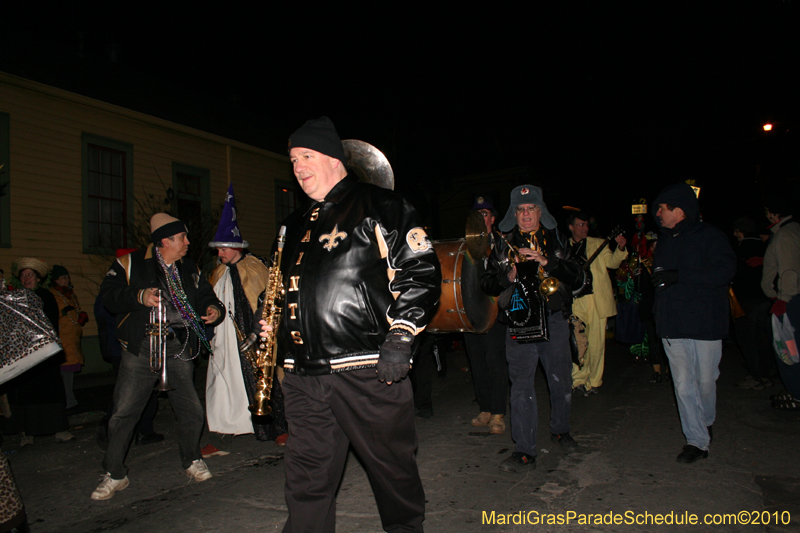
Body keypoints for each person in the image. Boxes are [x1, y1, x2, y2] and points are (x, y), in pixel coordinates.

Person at [269, 116, 441, 532]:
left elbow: (420, 272)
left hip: (366, 369)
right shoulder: (290, 225)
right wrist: (269, 322)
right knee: (306, 479)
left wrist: (401, 337)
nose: (298, 167)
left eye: (306, 156)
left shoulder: (381, 204)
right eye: (293, 160)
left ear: (333, 158)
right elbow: (281, 287)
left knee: (392, 472)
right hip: (303, 375)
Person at [90, 213, 224, 501]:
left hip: (178, 347)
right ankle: (114, 473)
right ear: (165, 241)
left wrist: (214, 310)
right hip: (141, 348)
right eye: (182, 238)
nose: (188, 242)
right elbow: (108, 296)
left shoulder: (189, 267)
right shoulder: (130, 263)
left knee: (191, 409)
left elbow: (206, 296)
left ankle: (191, 460)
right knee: (124, 413)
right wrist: (139, 297)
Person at [482, 185, 583, 472]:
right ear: (514, 215)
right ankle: (525, 449)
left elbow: (577, 277)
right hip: (519, 320)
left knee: (560, 380)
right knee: (521, 385)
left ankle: (561, 429)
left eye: (531, 209)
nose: (526, 214)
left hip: (553, 319)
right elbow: (487, 283)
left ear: (541, 211)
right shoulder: (503, 243)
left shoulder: (557, 239)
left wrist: (547, 262)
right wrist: (508, 275)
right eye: (521, 210)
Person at [651, 183, 735, 464]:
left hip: (705, 322)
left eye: (662, 208)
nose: (657, 213)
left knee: (705, 382)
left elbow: (725, 271)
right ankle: (696, 441)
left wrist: (679, 275)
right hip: (673, 323)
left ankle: (705, 420)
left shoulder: (710, 235)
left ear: (679, 210)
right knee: (684, 384)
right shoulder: (663, 240)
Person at [203, 184, 287, 458]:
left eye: (224, 249)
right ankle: (221, 437)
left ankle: (278, 429)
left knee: (263, 380)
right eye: (218, 249)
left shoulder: (255, 267)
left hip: (252, 339)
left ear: (236, 246)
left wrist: (256, 335)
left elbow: (267, 302)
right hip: (223, 341)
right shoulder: (217, 273)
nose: (220, 254)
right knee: (222, 386)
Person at [0, 258, 74, 445]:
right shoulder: (16, 297)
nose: (26, 279)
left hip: (44, 352)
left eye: (30, 275)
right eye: (23, 276)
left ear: (38, 278)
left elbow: (48, 324)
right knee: (25, 392)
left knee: (50, 390)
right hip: (24, 353)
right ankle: (27, 432)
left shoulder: (46, 296)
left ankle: (59, 429)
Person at [567, 211, 628, 395]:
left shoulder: (598, 243)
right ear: (571, 227)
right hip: (576, 301)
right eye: (580, 225)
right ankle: (577, 380)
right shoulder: (564, 247)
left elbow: (612, 263)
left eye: (586, 224)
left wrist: (621, 249)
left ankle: (594, 381)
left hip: (596, 299)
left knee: (596, 343)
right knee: (577, 342)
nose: (584, 228)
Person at [463, 196, 508, 434]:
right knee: (477, 361)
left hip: (494, 310)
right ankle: (485, 408)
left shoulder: (501, 243)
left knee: (495, 361)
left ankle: (499, 412)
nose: (482, 219)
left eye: (486, 214)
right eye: (477, 215)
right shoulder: (465, 246)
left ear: (493, 218)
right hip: (471, 310)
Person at [761, 195, 800, 409]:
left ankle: (796, 393)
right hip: (792, 299)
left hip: (790, 301)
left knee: (788, 349)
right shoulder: (791, 231)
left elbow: (789, 271)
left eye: (768, 211)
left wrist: (783, 299)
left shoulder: (785, 235)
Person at [730, 217, 774, 391]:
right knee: (761, 338)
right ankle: (765, 374)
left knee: (747, 339)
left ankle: (755, 376)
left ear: (739, 231)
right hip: (764, 298)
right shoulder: (765, 246)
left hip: (747, 300)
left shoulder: (741, 248)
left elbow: (734, 272)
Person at [49, 265, 88, 410]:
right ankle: (67, 403)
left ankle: (69, 401)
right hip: (62, 340)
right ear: (56, 280)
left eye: (67, 277)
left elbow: (74, 315)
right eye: (63, 278)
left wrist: (80, 317)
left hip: (72, 339)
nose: (66, 280)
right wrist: (63, 314)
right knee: (64, 373)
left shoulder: (70, 295)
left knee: (69, 373)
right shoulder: (53, 296)